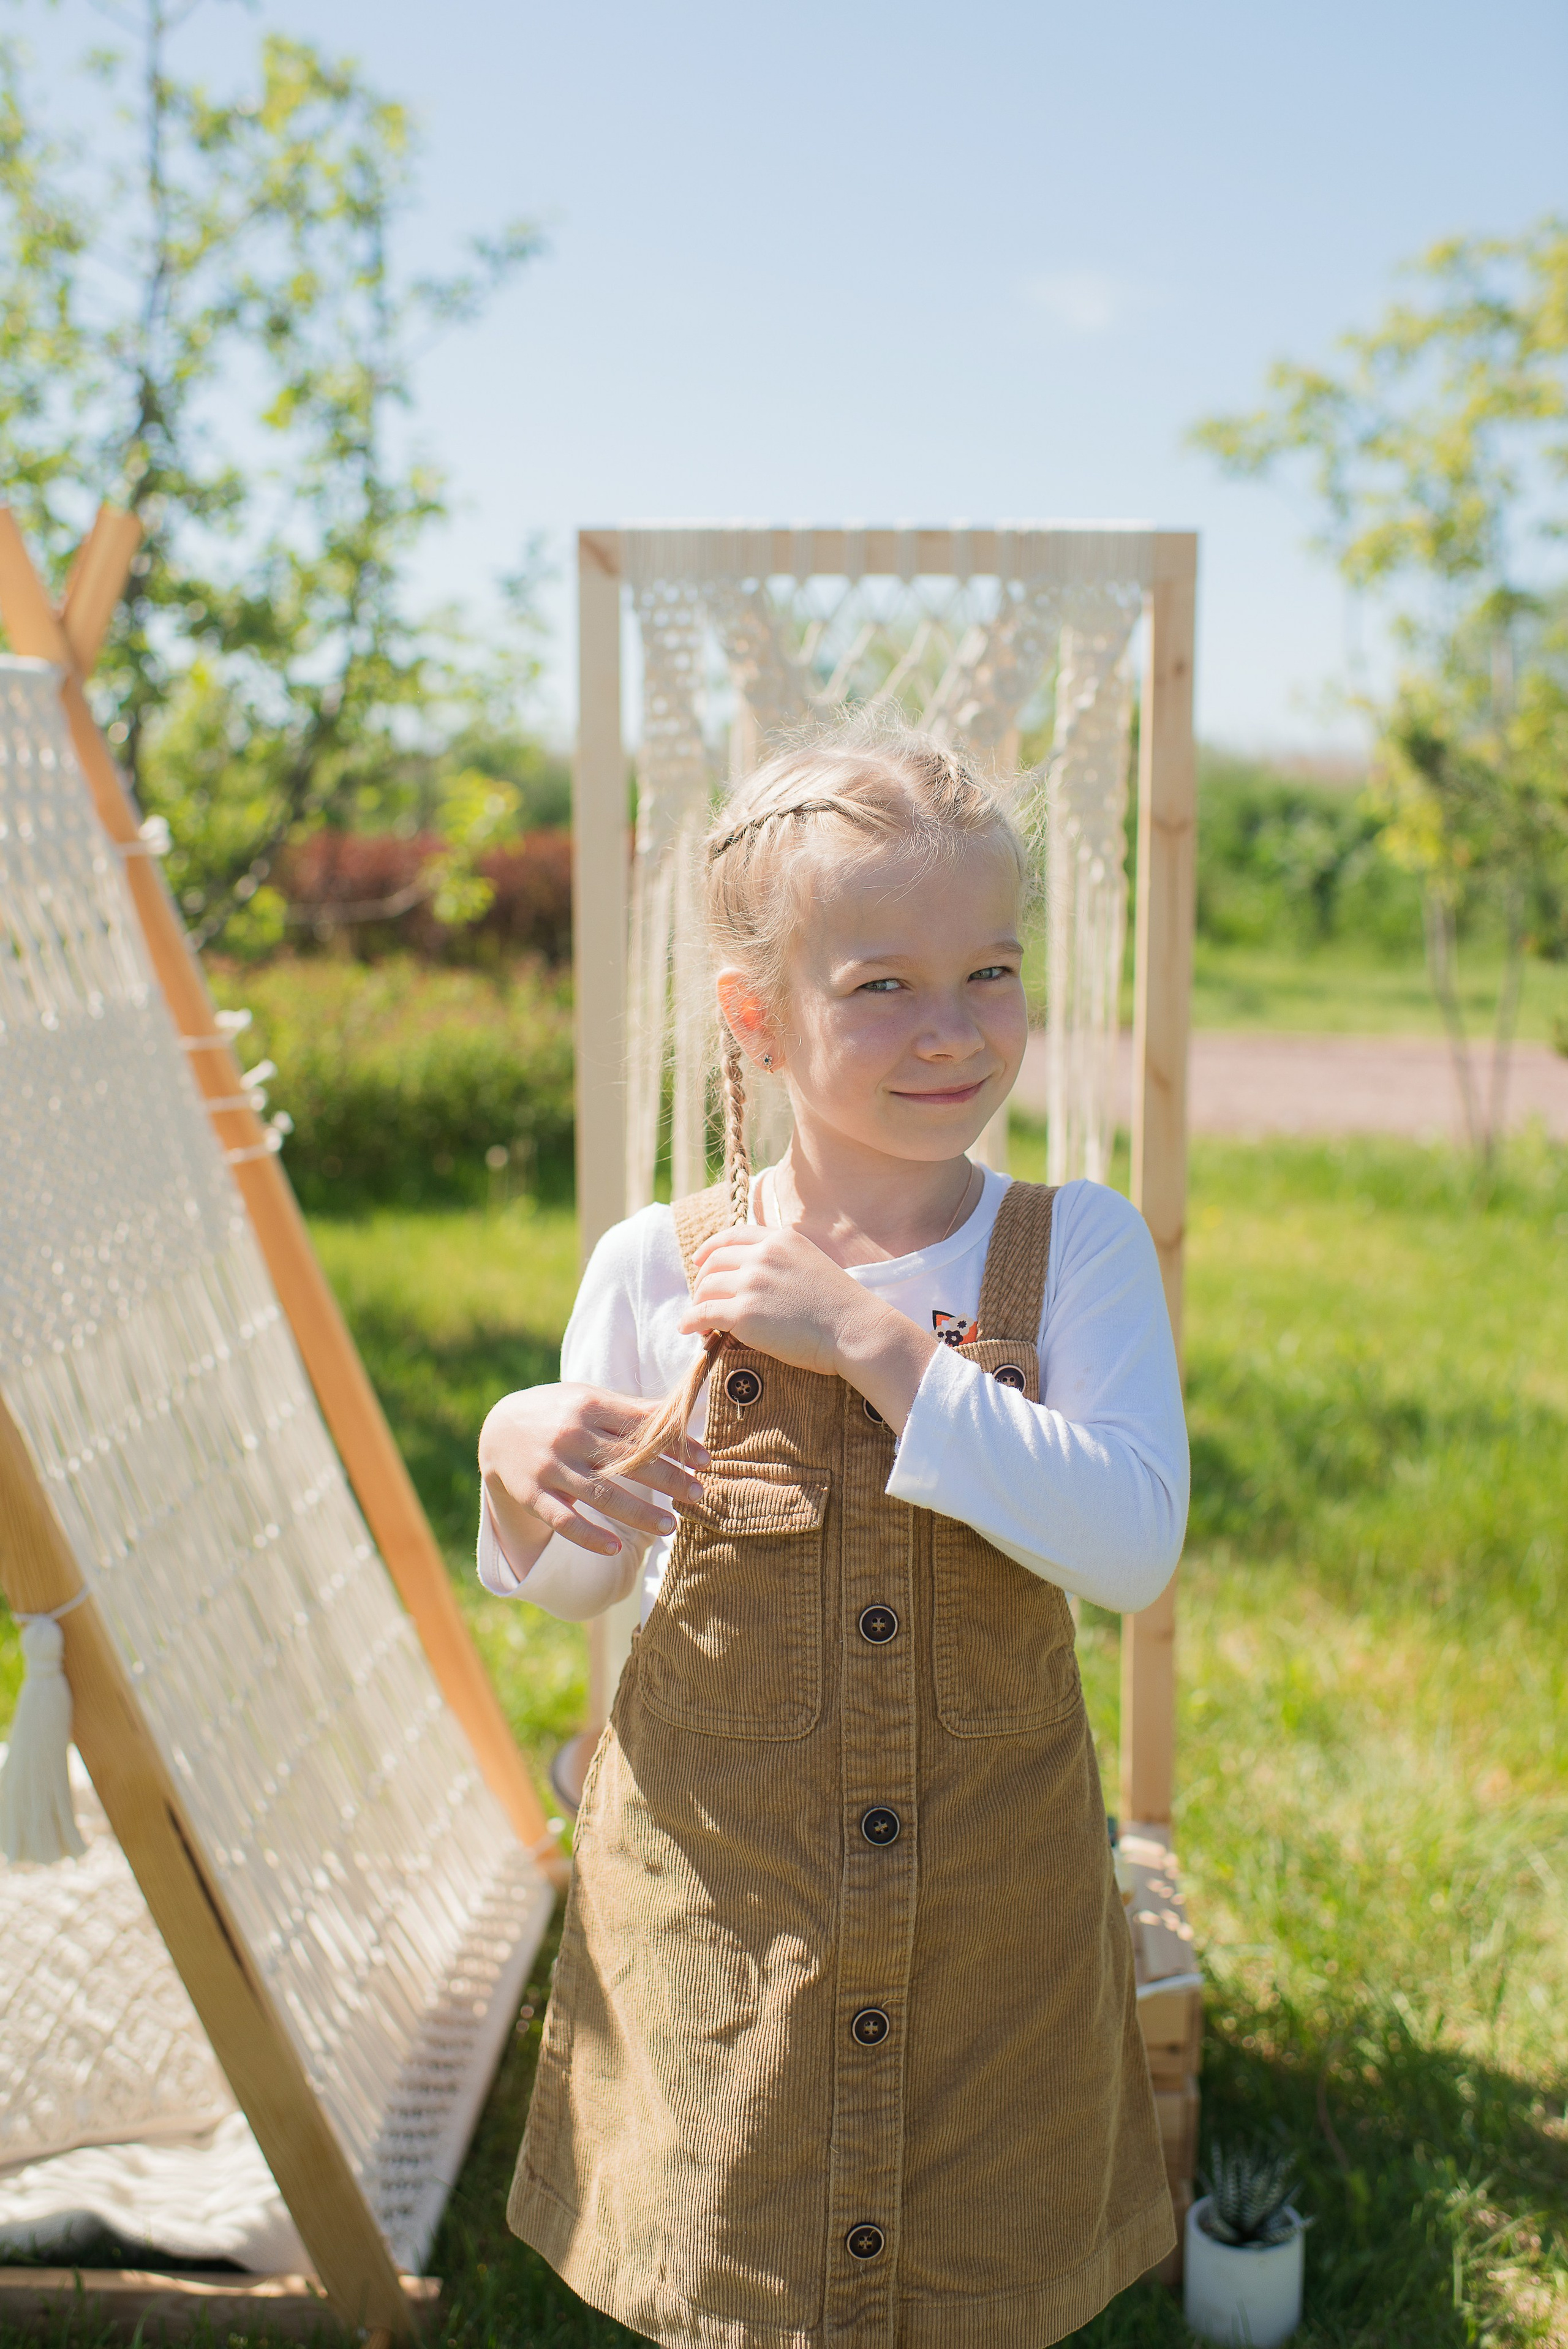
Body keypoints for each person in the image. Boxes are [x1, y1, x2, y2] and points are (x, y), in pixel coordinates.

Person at [477, 720, 1189, 2348]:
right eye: (882, 984)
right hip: (733, 1914)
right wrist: (514, 1459)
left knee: (966, 2272)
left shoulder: (1072, 1251)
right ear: (760, 1022)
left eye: (991, 971)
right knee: (731, 2261)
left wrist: (868, 1339)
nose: (953, 1030)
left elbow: (1133, 1540)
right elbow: (589, 1573)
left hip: (988, 1928)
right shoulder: (660, 1266)